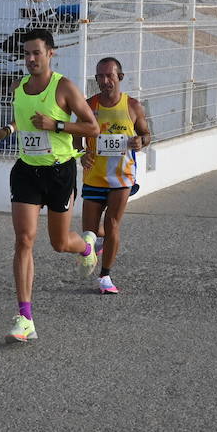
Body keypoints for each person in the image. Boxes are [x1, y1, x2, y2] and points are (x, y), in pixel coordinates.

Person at [0, 28, 100, 342]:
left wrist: (58, 125)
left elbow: (92, 127)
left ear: (51, 53)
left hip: (59, 173)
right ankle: (25, 317)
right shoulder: (19, 86)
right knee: (24, 240)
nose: (30, 59)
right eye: (26, 54)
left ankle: (87, 246)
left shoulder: (64, 87)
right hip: (26, 171)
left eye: (36, 53)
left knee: (60, 243)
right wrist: (8, 130)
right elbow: (25, 119)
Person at [77, 57, 151, 295]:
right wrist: (81, 153)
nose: (104, 81)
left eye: (109, 76)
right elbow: (75, 135)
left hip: (122, 178)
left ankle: (105, 275)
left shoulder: (133, 106)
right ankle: (99, 242)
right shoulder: (89, 106)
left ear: (120, 77)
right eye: (100, 76)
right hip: (94, 177)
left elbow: (147, 134)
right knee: (88, 232)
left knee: (112, 225)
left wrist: (141, 141)